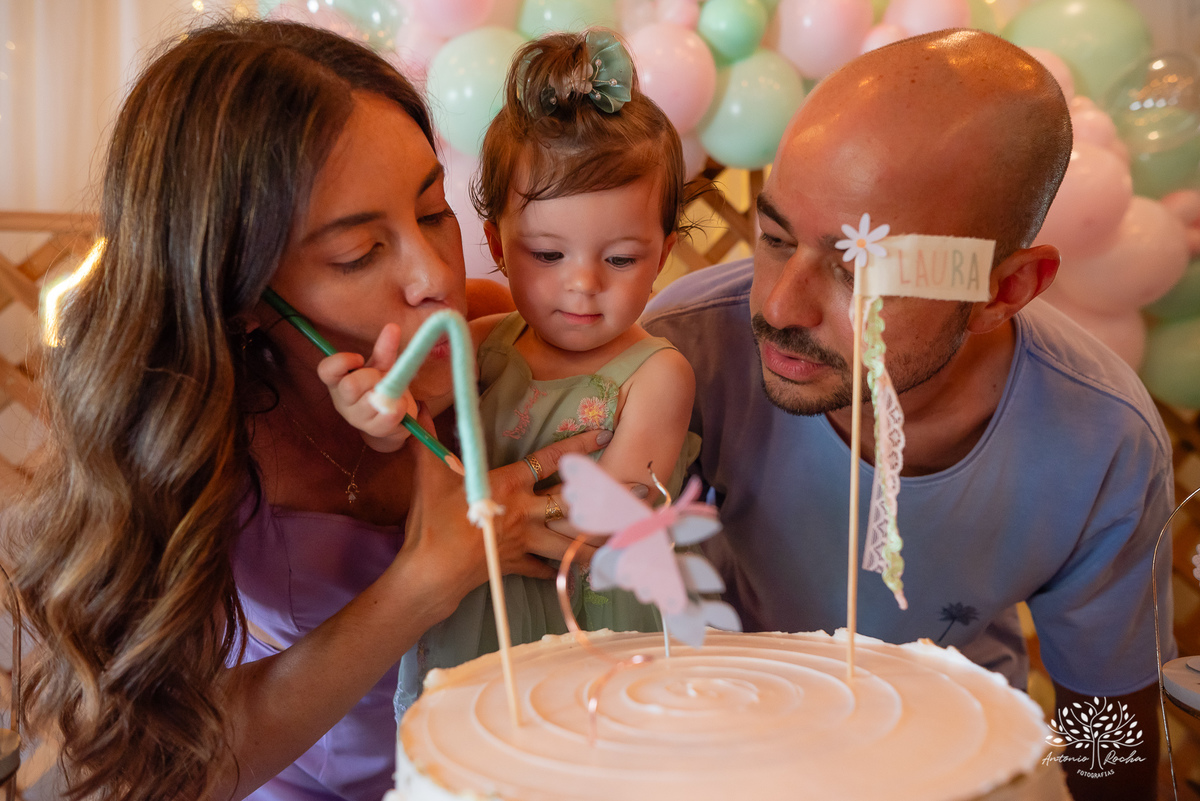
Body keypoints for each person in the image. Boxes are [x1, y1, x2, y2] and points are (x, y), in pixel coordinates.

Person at [6, 19, 610, 801]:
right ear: (247, 293)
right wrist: (422, 582)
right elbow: (154, 772)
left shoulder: (501, 342)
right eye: (359, 253)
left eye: (433, 213)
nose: (434, 278)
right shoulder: (196, 430)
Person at [643, 30, 1172, 801]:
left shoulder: (1102, 443)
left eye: (858, 266)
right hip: (720, 748)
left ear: (1005, 289)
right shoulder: (686, 355)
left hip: (960, 765)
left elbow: (1106, 734)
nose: (780, 307)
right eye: (775, 236)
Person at [324, 29, 697, 697]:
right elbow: (414, 430)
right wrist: (374, 412)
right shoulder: (482, 344)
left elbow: (615, 515)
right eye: (549, 255)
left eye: (620, 258)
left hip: (589, 629)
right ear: (496, 241)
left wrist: (487, 518)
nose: (583, 284)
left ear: (663, 251)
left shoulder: (656, 374)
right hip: (478, 618)